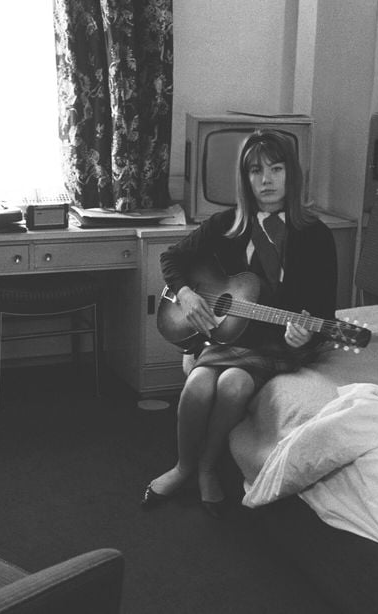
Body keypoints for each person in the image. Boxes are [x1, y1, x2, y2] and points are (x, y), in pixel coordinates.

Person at [142, 129, 339, 517]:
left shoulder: (316, 236)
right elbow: (172, 259)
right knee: (198, 386)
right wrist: (185, 293)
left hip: (274, 344)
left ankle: (207, 466)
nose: (266, 180)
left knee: (233, 385)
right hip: (227, 335)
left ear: (291, 174)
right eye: (255, 171)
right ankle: (183, 467)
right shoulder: (225, 224)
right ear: (244, 178)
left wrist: (302, 337)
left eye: (276, 169)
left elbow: (322, 312)